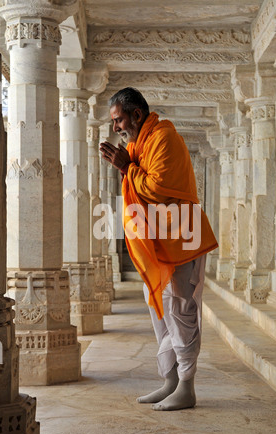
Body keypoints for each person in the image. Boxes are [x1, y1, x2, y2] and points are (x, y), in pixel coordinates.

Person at [100, 87, 218, 411]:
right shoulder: (141, 144)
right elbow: (143, 184)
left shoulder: (164, 138)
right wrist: (128, 164)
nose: (116, 128)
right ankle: (170, 380)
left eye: (119, 119)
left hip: (183, 237)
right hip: (161, 244)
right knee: (159, 306)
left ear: (137, 114)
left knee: (181, 308)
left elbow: (154, 188)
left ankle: (188, 386)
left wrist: (127, 167)